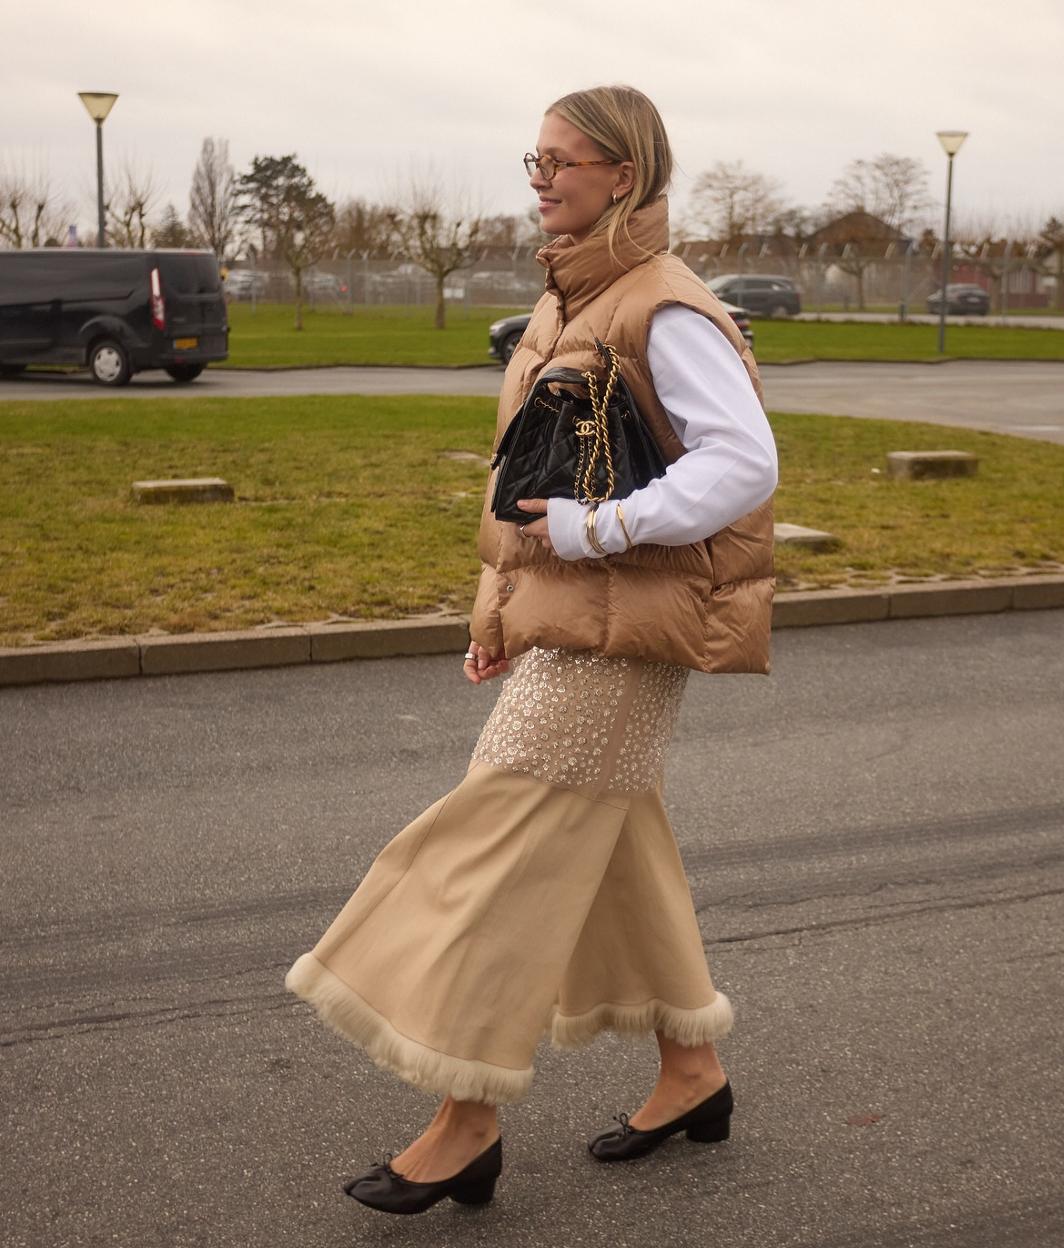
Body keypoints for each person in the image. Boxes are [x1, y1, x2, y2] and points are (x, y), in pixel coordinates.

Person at [285, 82, 778, 1217]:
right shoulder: (571, 299)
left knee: (493, 845)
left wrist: (600, 529)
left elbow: (742, 466)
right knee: (611, 839)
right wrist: (500, 617)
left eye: (565, 159)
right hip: (576, 626)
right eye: (535, 159)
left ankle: (465, 1116)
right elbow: (533, 480)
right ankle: (693, 1071)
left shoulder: (665, 306)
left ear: (626, 175)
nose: (542, 176)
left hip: (631, 638)